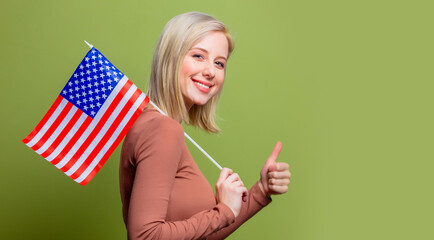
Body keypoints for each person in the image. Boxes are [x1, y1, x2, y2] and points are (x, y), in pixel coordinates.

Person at [119, 12, 291, 240]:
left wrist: (261, 191)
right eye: (199, 56)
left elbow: (201, 235)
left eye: (219, 63)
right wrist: (223, 211)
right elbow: (145, 236)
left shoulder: (153, 124)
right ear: (171, 57)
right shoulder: (163, 130)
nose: (211, 71)